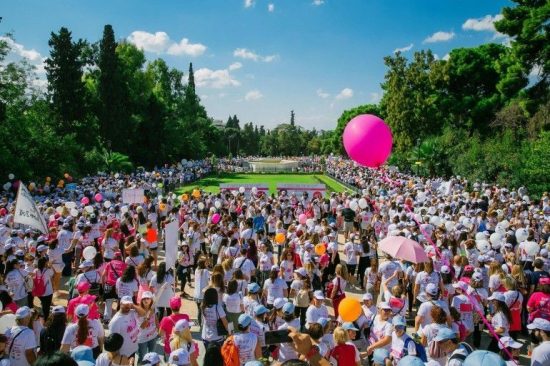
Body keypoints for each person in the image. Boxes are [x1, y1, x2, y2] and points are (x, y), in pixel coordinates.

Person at [137, 291, 158, 362]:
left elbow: (156, 319)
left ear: (151, 300)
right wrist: (147, 318)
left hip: (153, 336)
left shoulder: (153, 309)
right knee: (142, 357)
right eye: (144, 298)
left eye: (148, 298)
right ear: (141, 300)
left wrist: (159, 331)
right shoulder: (139, 311)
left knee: (152, 357)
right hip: (142, 339)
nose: (146, 300)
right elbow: (142, 327)